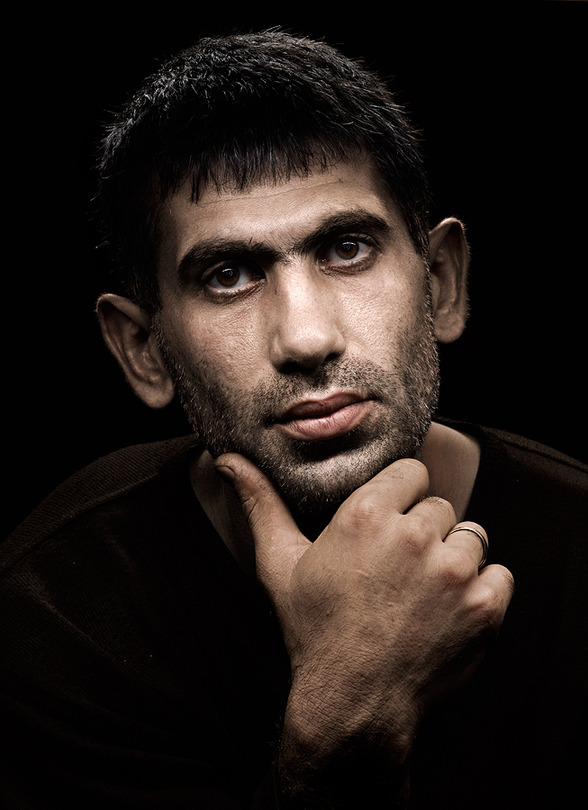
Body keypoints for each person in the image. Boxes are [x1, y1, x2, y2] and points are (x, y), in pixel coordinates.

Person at [1, 30, 586, 809]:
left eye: (347, 248)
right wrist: (341, 732)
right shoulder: (58, 607)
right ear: (145, 350)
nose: (306, 339)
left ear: (441, 283)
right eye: (229, 275)